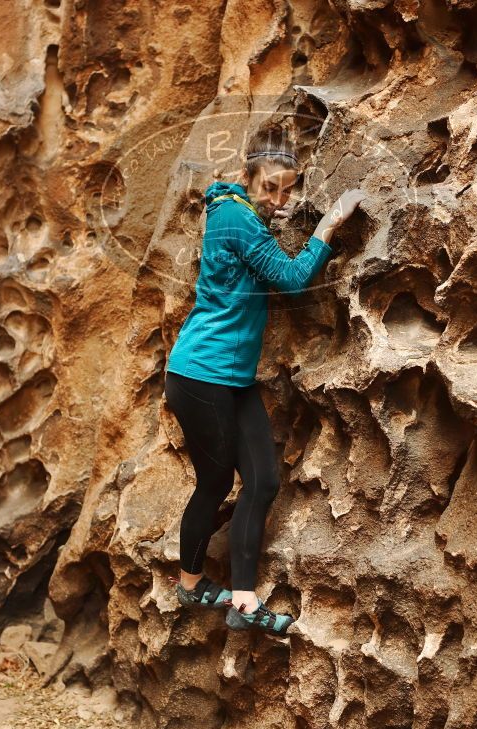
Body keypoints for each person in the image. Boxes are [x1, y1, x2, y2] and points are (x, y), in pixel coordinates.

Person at [165, 126, 365, 637]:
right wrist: (329, 225)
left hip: (233, 377)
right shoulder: (235, 217)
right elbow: (296, 279)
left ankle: (243, 602)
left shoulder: (244, 214)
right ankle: (189, 586)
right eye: (269, 187)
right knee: (214, 482)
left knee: (264, 480)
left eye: (287, 188)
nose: (279, 199)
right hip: (200, 375)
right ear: (246, 178)